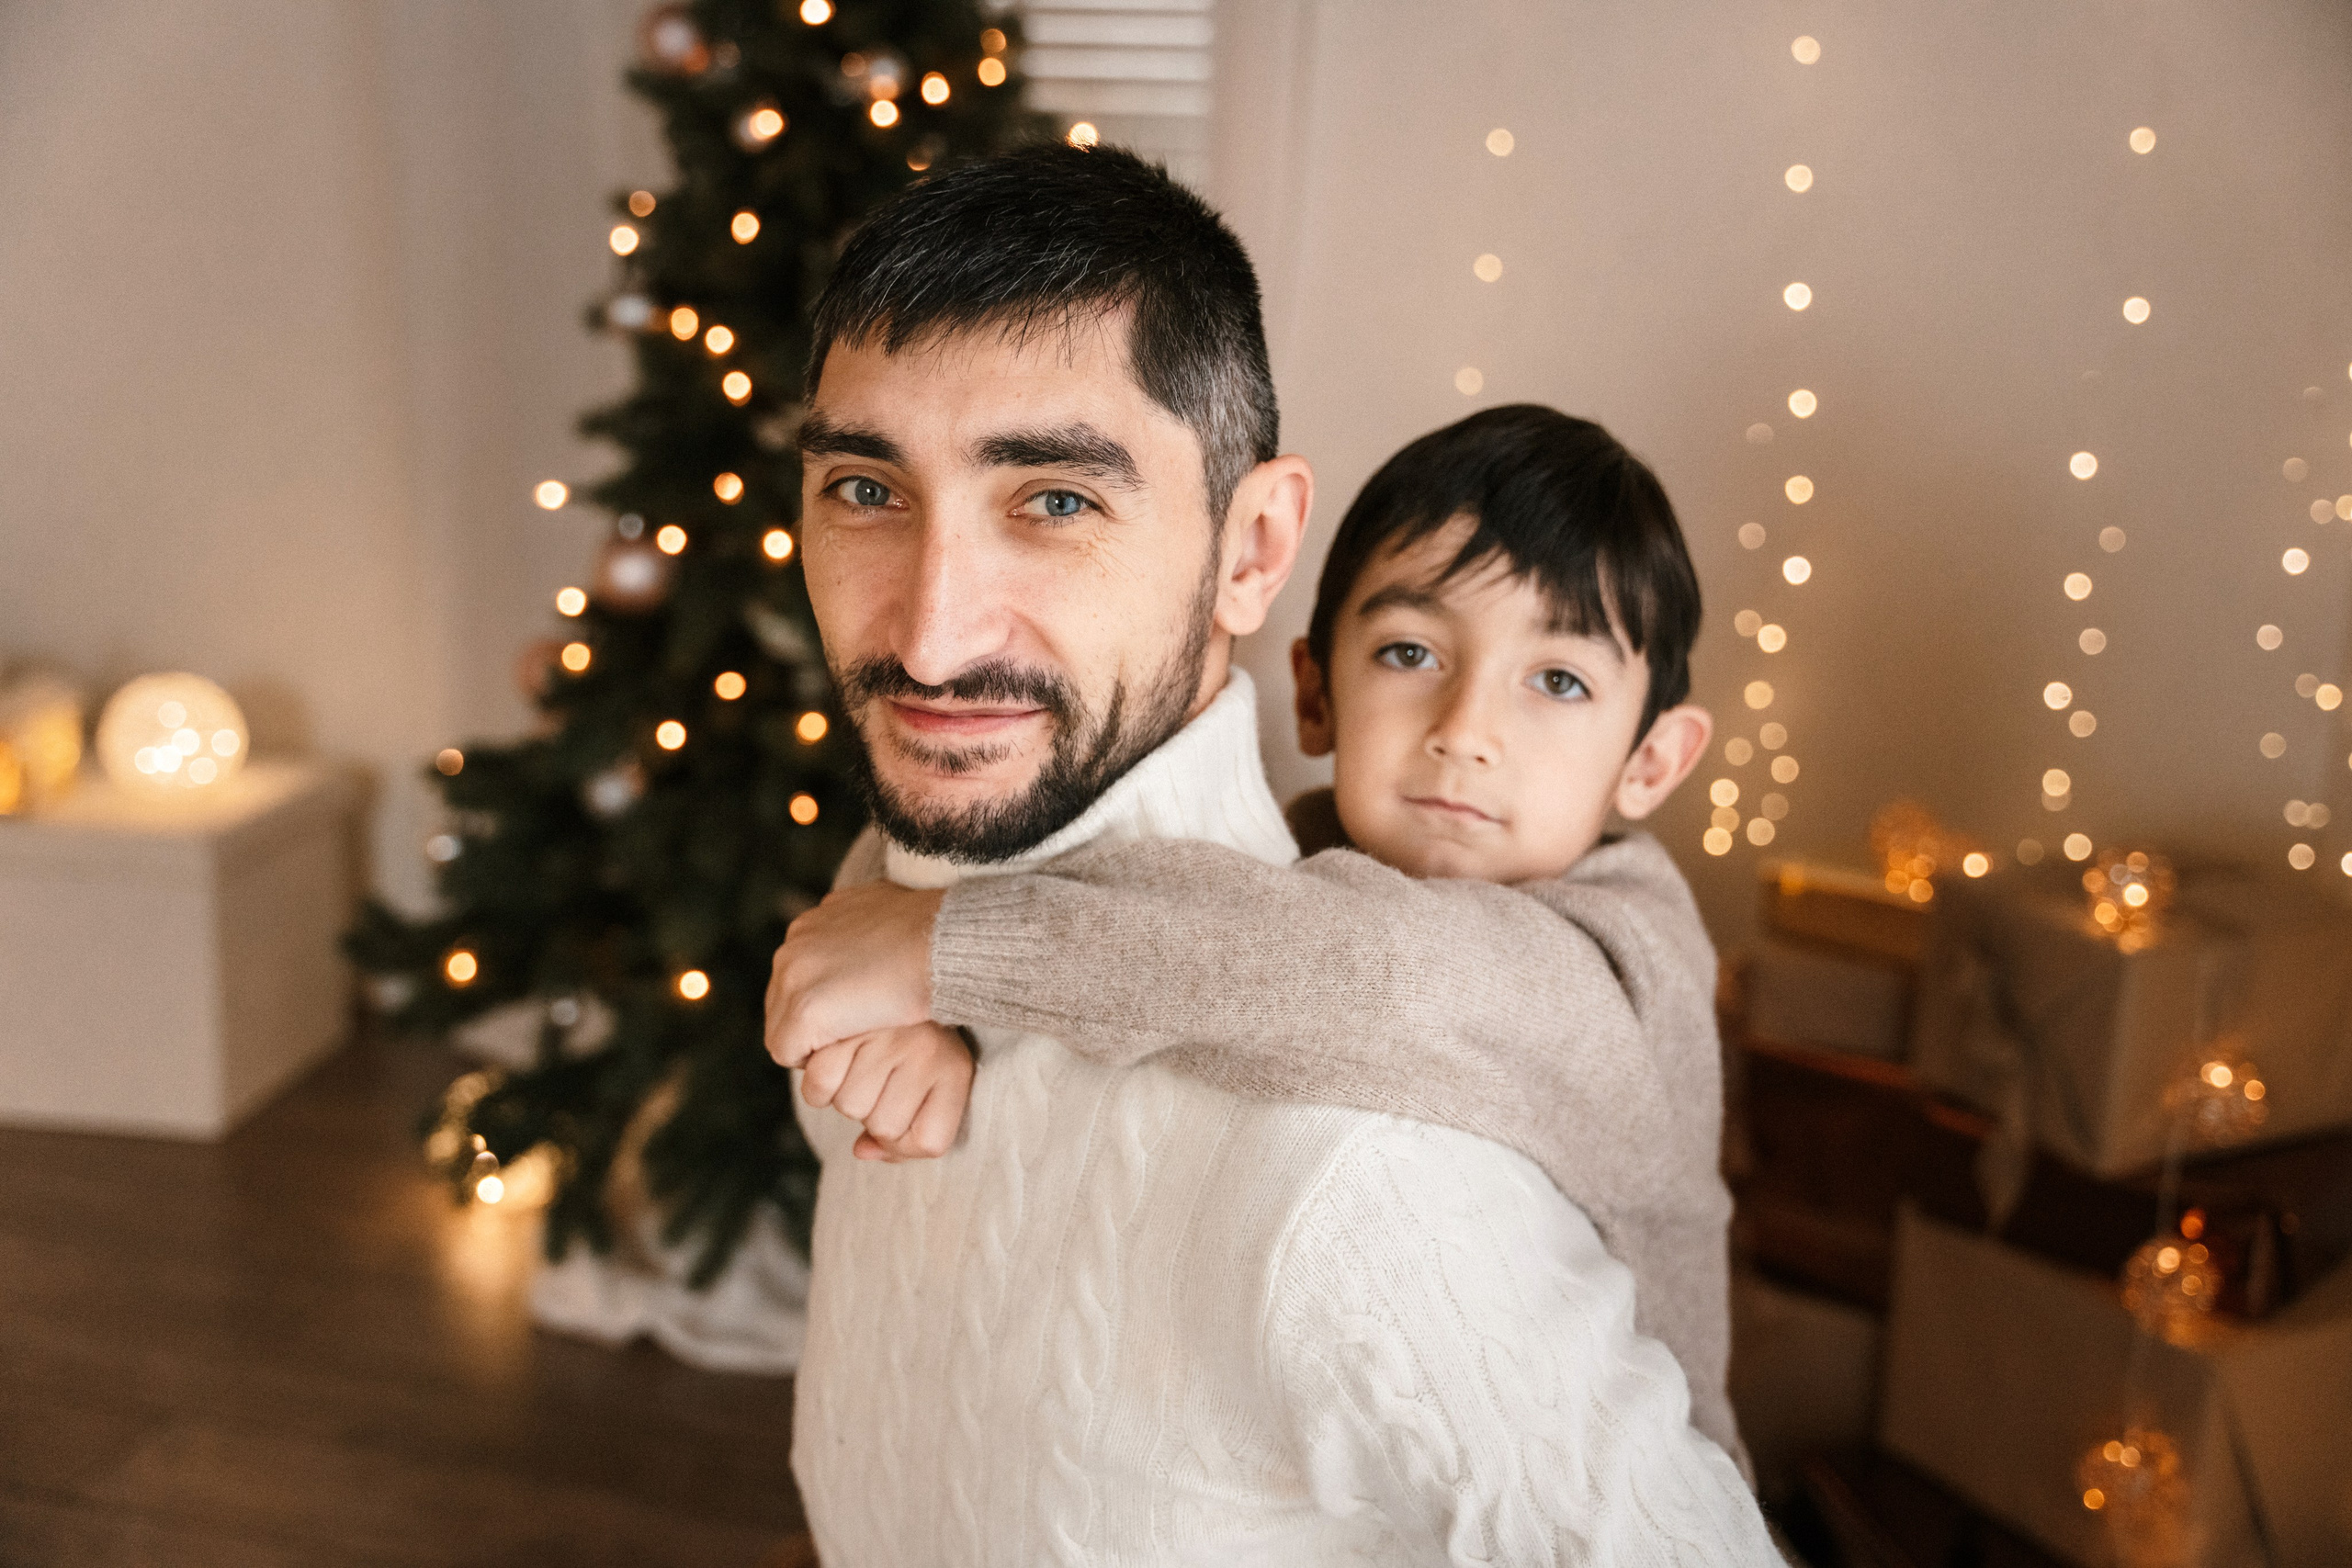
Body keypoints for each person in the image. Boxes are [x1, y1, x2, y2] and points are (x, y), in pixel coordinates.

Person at [775, 139, 1777, 1563]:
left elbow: (1369, 985)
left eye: (1054, 499)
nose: (929, 639)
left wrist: (953, 949)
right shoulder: (917, 921)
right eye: (866, 491)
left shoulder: (1388, 1154)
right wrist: (922, 954)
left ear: (1252, 554)